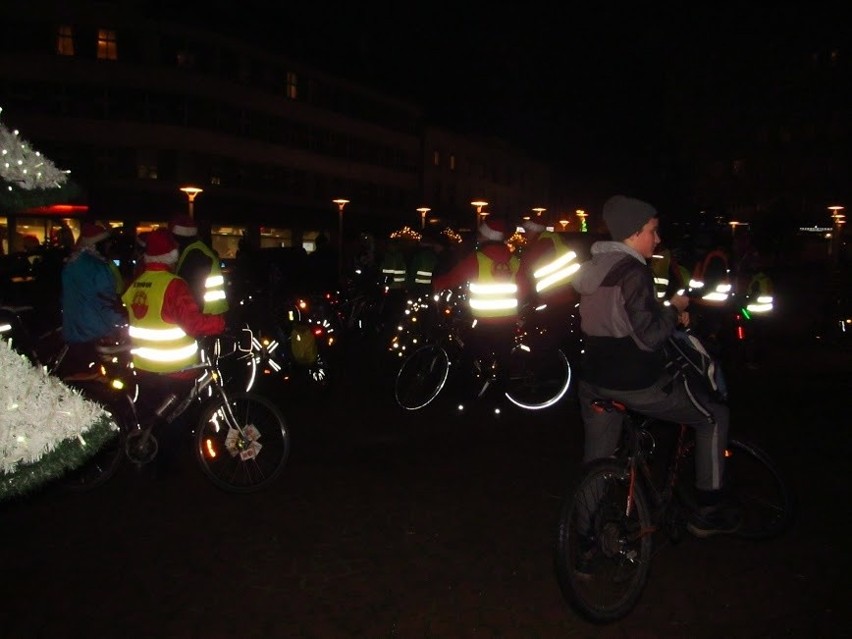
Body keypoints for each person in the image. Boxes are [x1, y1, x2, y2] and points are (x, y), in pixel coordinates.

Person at [571, 195, 740, 538]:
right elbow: (649, 338)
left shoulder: (593, 269)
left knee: (597, 464)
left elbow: (620, 318)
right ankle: (709, 509)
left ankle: (584, 545)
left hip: (593, 379)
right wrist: (675, 309)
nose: (658, 239)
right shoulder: (633, 271)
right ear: (634, 233)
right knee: (712, 416)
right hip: (635, 381)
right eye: (653, 230)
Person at [122, 228, 226, 472]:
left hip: (144, 363)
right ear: (172, 254)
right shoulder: (174, 285)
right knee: (176, 417)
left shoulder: (138, 282)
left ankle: (148, 458)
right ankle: (166, 467)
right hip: (174, 366)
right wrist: (221, 323)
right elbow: (193, 323)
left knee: (153, 415)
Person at [432, 217, 520, 405]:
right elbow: (525, 286)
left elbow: (454, 277)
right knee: (503, 359)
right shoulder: (514, 260)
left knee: (468, 356)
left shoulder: (478, 259)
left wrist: (435, 285)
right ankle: (500, 399)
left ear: (486, 236)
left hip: (486, 320)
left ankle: (464, 399)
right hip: (508, 319)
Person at [60, 222, 127, 376]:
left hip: (72, 332)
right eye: (107, 243)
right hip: (94, 333)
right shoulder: (99, 268)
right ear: (98, 244)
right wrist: (123, 321)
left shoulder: (71, 264)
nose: (110, 246)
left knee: (78, 377)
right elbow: (106, 303)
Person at [516, 217, 580, 347]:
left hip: (555, 299)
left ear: (534, 231)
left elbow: (523, 274)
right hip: (571, 295)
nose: (525, 235)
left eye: (527, 231)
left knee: (545, 338)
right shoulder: (555, 239)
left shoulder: (540, 245)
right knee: (566, 338)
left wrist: (518, 299)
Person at [169, 214, 229, 318]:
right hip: (209, 313)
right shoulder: (195, 250)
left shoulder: (195, 254)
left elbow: (192, 290)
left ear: (178, 238)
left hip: (205, 315)